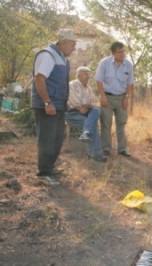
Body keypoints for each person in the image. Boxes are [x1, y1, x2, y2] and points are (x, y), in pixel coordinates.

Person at [31, 29, 77, 186]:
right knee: (47, 140)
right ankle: (43, 173)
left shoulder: (62, 58)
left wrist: (64, 102)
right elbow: (39, 79)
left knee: (57, 138)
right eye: (73, 44)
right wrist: (47, 102)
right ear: (62, 42)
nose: (74, 48)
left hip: (58, 105)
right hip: (47, 106)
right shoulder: (47, 55)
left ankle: (49, 168)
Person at [95, 41, 134, 157]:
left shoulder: (128, 65)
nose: (122, 54)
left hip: (122, 97)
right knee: (106, 124)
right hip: (107, 97)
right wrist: (102, 96)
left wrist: (127, 97)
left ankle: (122, 149)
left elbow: (130, 83)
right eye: (119, 52)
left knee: (121, 124)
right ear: (112, 53)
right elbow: (99, 80)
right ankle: (106, 148)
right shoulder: (104, 63)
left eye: (123, 52)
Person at [65, 67, 106, 162]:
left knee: (97, 110)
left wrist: (86, 106)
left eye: (89, 74)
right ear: (79, 75)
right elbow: (75, 102)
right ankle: (95, 154)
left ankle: (86, 134)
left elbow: (95, 103)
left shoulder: (88, 88)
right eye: (86, 74)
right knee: (92, 125)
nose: (88, 76)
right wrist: (84, 106)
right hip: (72, 114)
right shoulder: (71, 85)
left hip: (86, 113)